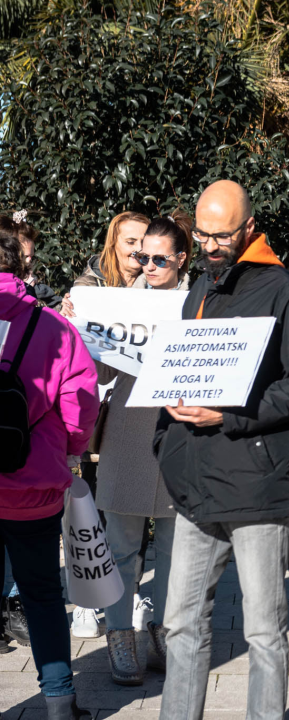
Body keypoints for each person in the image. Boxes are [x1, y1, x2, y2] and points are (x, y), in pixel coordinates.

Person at [155, 180, 289, 720]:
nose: (209, 244)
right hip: (196, 483)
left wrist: (231, 416)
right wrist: (169, 434)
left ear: (249, 227)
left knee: (263, 631)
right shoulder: (199, 288)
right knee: (180, 623)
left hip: (258, 487)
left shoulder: (286, 291)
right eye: (201, 233)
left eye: (221, 234)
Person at [0, 228, 99, 719]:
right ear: (19, 265)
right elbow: (80, 408)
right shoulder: (54, 328)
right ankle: (59, 702)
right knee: (40, 594)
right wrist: (68, 450)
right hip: (31, 485)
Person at [94, 212, 192, 686]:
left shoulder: (201, 305)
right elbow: (100, 378)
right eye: (140, 256)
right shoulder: (117, 303)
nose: (146, 265)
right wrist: (87, 335)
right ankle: (119, 639)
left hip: (181, 439)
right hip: (129, 437)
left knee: (177, 552)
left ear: (180, 258)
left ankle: (164, 638)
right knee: (121, 548)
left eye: (157, 258)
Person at [59, 210, 151, 639]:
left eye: (143, 241)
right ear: (113, 242)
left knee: (134, 515)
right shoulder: (90, 288)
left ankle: (128, 595)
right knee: (91, 512)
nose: (137, 250)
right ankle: (86, 603)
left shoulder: (159, 287)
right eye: (129, 241)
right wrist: (69, 316)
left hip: (136, 418)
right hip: (94, 418)